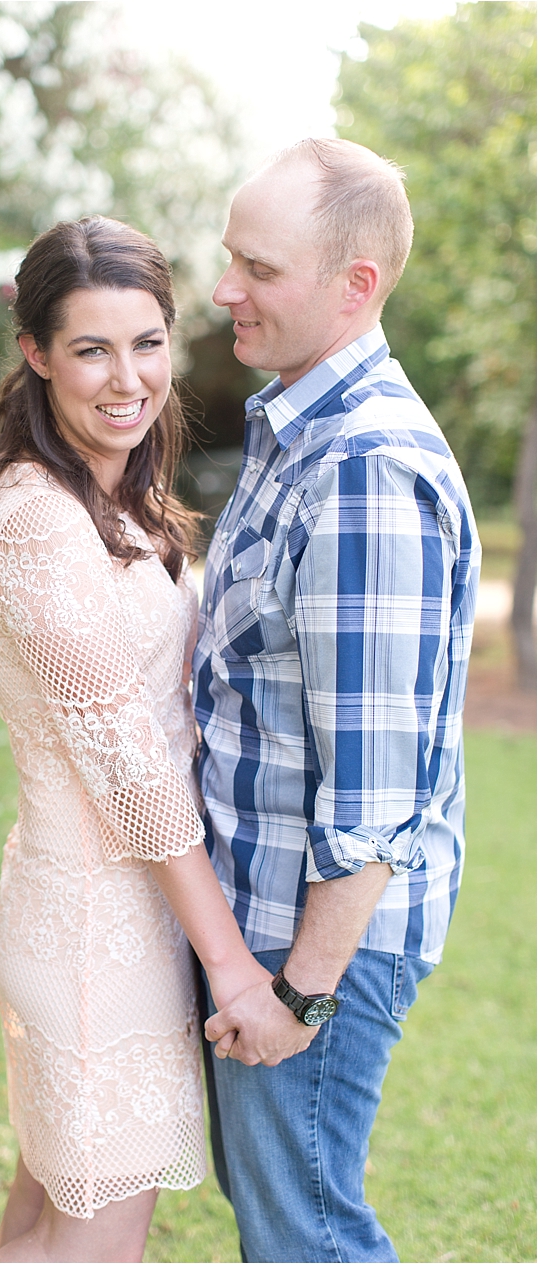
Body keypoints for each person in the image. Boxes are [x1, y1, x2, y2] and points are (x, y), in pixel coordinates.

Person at [0, 216, 272, 1262]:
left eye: (145, 342)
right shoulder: (37, 523)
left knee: (44, 1218)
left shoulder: (110, 493)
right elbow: (128, 768)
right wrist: (229, 967)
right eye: (89, 348)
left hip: (114, 911)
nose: (124, 377)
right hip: (94, 925)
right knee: (91, 1235)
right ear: (35, 353)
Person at [195, 138, 480, 1262]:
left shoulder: (362, 470)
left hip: (309, 946)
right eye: (229, 258)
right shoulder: (296, 424)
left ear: (352, 284)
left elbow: (370, 789)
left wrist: (295, 995)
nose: (223, 289)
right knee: (285, 1221)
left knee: (306, 1237)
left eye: (256, 268)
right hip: (263, 924)